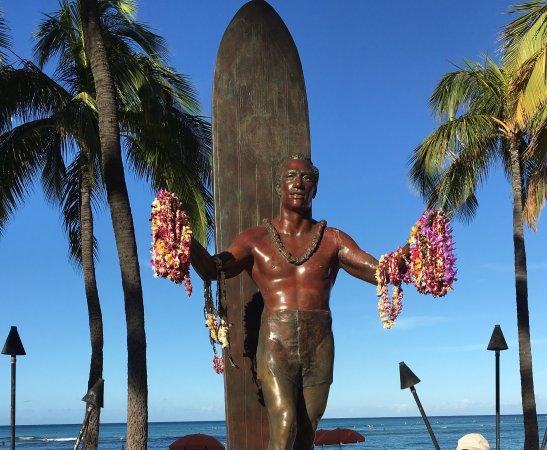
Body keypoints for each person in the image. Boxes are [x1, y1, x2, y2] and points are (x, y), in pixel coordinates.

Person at [191, 154, 404, 450]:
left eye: (307, 178)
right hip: (276, 341)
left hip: (319, 342)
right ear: (279, 186)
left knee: (308, 429)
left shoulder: (333, 239)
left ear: (315, 189)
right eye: (291, 176)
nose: (299, 183)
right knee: (286, 421)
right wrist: (184, 239)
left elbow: (380, 271)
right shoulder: (255, 239)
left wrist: (412, 254)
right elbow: (214, 268)